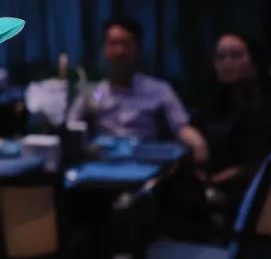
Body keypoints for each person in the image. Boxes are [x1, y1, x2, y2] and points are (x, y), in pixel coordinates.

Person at [66, 17, 209, 162]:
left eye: (126, 44)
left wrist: (198, 143)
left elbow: (181, 126)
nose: (120, 51)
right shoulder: (98, 92)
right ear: (104, 50)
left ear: (138, 50)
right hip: (103, 164)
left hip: (145, 163)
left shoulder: (159, 90)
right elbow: (72, 125)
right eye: (113, 44)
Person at [192, 32, 271, 209]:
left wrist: (214, 180)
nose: (227, 63)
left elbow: (262, 162)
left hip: (256, 192)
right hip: (209, 188)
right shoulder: (212, 102)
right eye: (220, 57)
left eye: (235, 55)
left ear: (254, 61)